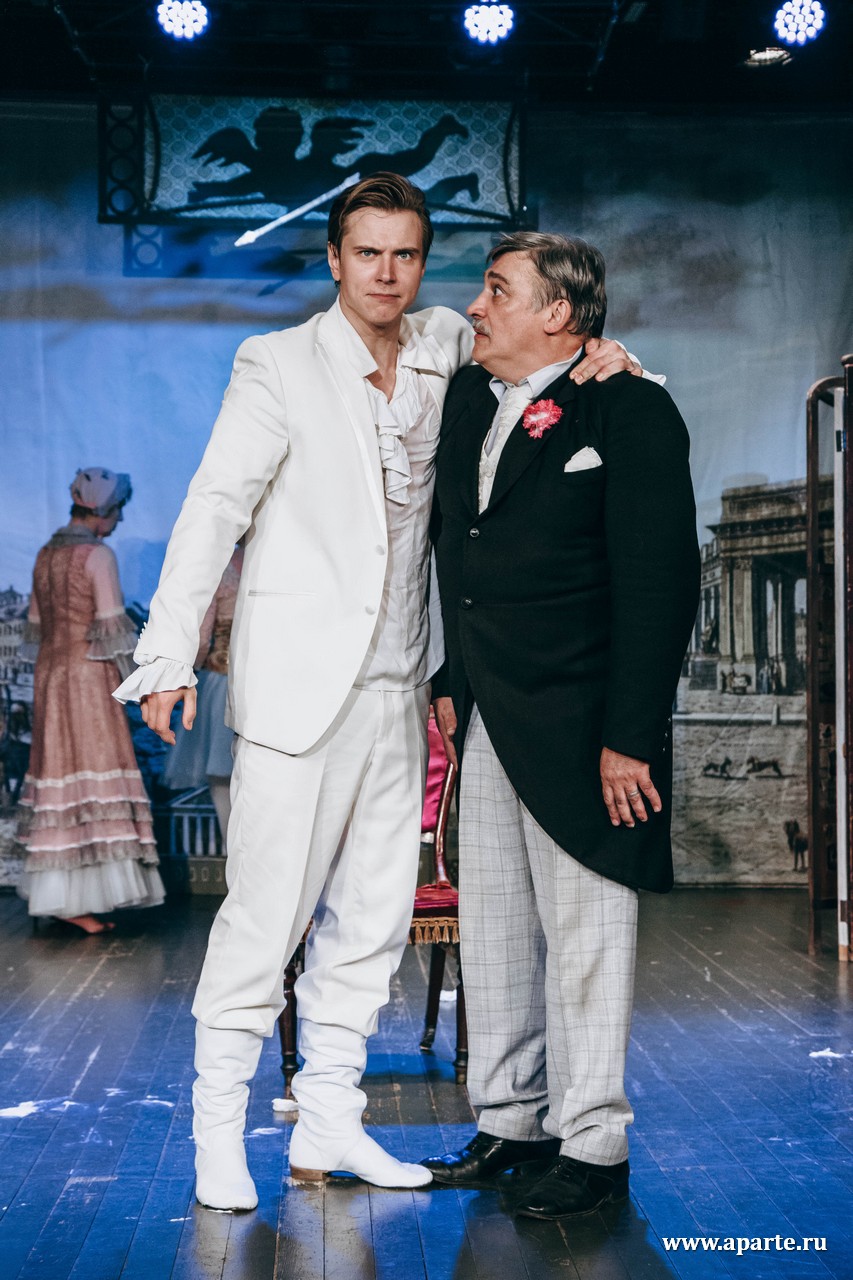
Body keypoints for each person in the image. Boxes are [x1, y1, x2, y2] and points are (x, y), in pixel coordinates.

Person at [113, 175, 644, 1211]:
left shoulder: (447, 342)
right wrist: (168, 649)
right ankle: (217, 1134)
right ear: (334, 259)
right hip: (297, 690)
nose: (387, 273)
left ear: (421, 262)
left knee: (368, 927)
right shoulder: (276, 364)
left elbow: (548, 360)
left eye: (405, 254)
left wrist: (613, 359)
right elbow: (215, 504)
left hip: (403, 686)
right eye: (367, 253)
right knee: (263, 922)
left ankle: (327, 1124)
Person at [424, 233, 701, 1220]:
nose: (475, 306)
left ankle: (592, 1143)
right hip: (490, 710)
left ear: (559, 313)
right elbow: (460, 549)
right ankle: (511, 1120)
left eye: (497, 291)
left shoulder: (628, 406)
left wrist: (630, 733)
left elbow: (660, 581)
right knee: (496, 930)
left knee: (585, 936)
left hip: (588, 725)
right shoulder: (469, 397)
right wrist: (454, 677)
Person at [17, 468, 164, 935]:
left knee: (61, 773)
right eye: (118, 512)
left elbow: (37, 623)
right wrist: (139, 685)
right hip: (87, 676)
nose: (119, 521)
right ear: (104, 510)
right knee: (94, 768)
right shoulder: (98, 555)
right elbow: (112, 627)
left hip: (51, 675)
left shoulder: (45, 554)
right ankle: (81, 897)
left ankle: (63, 897)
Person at [161, 546, 243, 846]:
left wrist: (184, 671)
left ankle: (233, 853)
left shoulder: (220, 567)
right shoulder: (280, 559)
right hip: (269, 681)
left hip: (223, 682)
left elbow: (202, 635)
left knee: (222, 772)